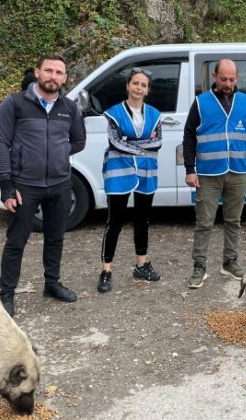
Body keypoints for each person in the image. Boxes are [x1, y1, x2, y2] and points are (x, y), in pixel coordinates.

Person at [0, 53, 86, 316]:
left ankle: (52, 284)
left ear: (65, 77)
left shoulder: (70, 108)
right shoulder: (14, 104)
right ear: (37, 72)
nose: (53, 76)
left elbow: (79, 141)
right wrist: (6, 186)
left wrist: (57, 152)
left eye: (59, 72)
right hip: (25, 186)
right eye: (49, 71)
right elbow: (0, 142)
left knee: (56, 238)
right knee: (16, 242)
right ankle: (7, 294)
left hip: (59, 185)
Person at [183, 59, 246, 289]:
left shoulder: (245, 101)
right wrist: (190, 169)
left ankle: (230, 262)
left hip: (238, 170)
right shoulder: (200, 103)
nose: (228, 83)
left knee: (233, 221)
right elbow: (189, 136)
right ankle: (199, 267)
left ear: (237, 78)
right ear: (214, 77)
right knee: (204, 222)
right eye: (223, 79)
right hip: (208, 173)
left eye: (232, 79)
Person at [97, 68, 162, 293]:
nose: (139, 88)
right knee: (114, 222)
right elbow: (115, 142)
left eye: (143, 85)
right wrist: (142, 142)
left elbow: (158, 142)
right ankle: (106, 270)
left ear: (148, 90)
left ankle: (141, 265)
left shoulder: (155, 114)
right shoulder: (114, 113)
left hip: (146, 171)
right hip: (118, 171)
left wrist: (130, 142)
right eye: (135, 83)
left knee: (142, 220)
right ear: (128, 85)